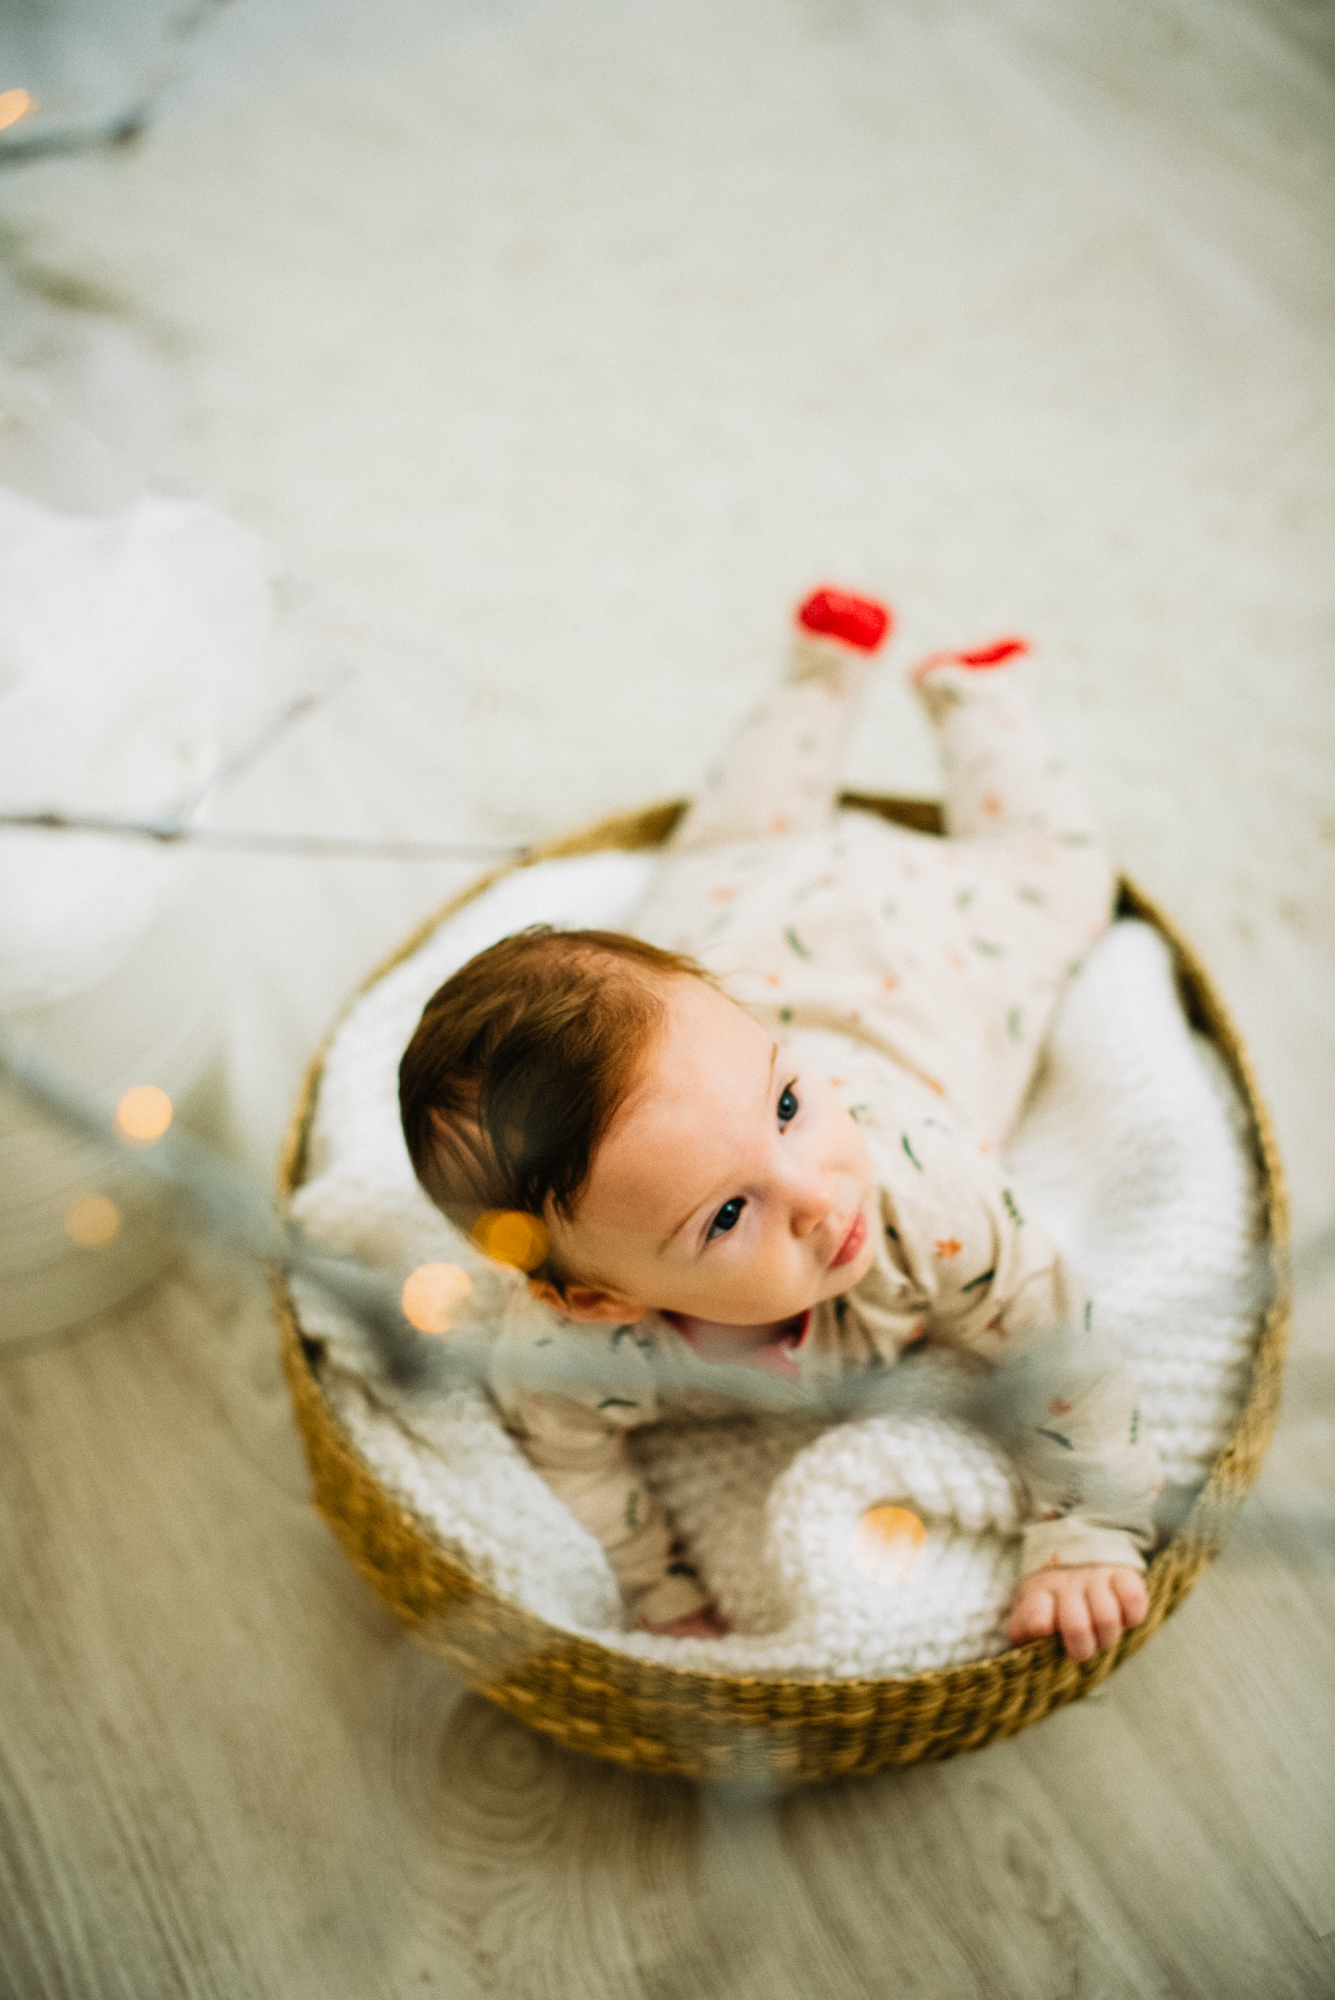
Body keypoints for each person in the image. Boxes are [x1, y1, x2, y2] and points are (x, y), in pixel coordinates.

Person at [398, 588, 1162, 1661]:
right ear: (596, 1293)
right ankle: (852, 688)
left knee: (1023, 881)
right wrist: (660, 1588)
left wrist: (1087, 1521)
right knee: (729, 859)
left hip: (919, 976)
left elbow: (1054, 1327)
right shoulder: (569, 1348)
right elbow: (570, 1456)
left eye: (792, 1108)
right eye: (725, 1217)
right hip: (762, 987)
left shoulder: (915, 1189)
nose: (817, 1192)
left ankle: (939, 695)